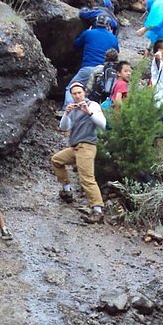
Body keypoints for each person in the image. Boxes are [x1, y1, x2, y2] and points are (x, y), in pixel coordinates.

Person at [52, 81, 107, 224]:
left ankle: (97, 210)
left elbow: (102, 124)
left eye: (79, 93)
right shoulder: (73, 109)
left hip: (87, 146)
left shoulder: (93, 105)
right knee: (57, 160)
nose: (77, 96)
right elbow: (64, 127)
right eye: (74, 94)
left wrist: (89, 112)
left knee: (86, 178)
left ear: (84, 93)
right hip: (75, 147)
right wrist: (66, 113)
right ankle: (67, 190)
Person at [64, 14, 119, 109]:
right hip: (103, 71)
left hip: (88, 67)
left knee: (71, 88)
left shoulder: (88, 33)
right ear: (108, 25)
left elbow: (76, 45)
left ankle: (67, 108)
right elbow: (116, 52)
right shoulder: (113, 38)